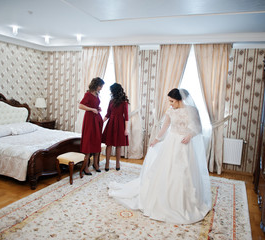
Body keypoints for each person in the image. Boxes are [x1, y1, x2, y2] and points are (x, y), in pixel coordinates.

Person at [108, 88, 211, 224]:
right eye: (169, 101)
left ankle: (184, 202)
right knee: (166, 170)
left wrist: (190, 135)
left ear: (180, 100)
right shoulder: (170, 111)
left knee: (185, 171)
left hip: (185, 145)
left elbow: (198, 127)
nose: (170, 104)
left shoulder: (192, 110)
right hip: (171, 142)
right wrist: (156, 138)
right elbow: (165, 127)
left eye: (172, 101)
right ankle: (163, 198)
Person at [79, 77, 104, 177]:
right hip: (89, 120)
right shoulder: (88, 94)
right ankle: (85, 167)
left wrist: (98, 108)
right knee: (89, 141)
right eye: (100, 86)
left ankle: (96, 164)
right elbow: (80, 106)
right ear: (96, 85)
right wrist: (92, 109)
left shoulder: (97, 94)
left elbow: (94, 105)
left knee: (97, 140)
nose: (101, 88)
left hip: (96, 119)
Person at [102, 83, 129, 171]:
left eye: (111, 91)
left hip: (120, 124)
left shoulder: (124, 102)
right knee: (108, 144)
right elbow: (108, 114)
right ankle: (107, 163)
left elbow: (126, 117)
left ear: (114, 91)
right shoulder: (111, 101)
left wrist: (126, 129)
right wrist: (101, 121)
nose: (111, 92)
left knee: (118, 145)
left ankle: (118, 163)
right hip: (111, 123)